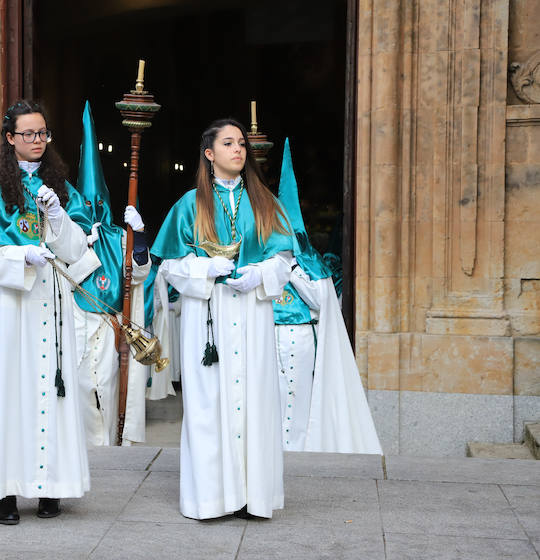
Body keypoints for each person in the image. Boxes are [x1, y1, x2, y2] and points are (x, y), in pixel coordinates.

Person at [0, 99, 92, 525]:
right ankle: (5, 492)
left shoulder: (62, 189)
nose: (37, 141)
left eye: (43, 133)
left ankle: (51, 487)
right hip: (9, 304)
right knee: (8, 393)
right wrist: (19, 255)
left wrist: (58, 216)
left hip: (51, 303)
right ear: (10, 138)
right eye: (28, 134)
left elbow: (76, 251)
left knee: (52, 390)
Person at [150, 118, 297, 520]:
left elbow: (285, 260)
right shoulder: (189, 205)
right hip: (208, 316)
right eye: (229, 143)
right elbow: (169, 266)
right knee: (207, 403)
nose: (239, 150)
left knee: (255, 401)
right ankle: (211, 498)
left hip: (252, 311)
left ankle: (253, 497)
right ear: (209, 154)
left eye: (242, 144)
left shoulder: (266, 201)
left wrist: (261, 273)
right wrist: (203, 270)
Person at [272, 140, 382, 454]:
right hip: (270, 335)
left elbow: (322, 301)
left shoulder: (309, 261)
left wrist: (291, 267)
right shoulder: (264, 260)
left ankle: (298, 448)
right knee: (275, 397)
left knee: (299, 396)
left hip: (302, 335)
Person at [68, 102, 149, 446]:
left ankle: (113, 449)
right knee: (80, 393)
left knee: (110, 388)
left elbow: (138, 274)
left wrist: (140, 237)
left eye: (96, 204)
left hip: (109, 325)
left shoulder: (117, 236)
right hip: (74, 326)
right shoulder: (65, 235)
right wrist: (81, 248)